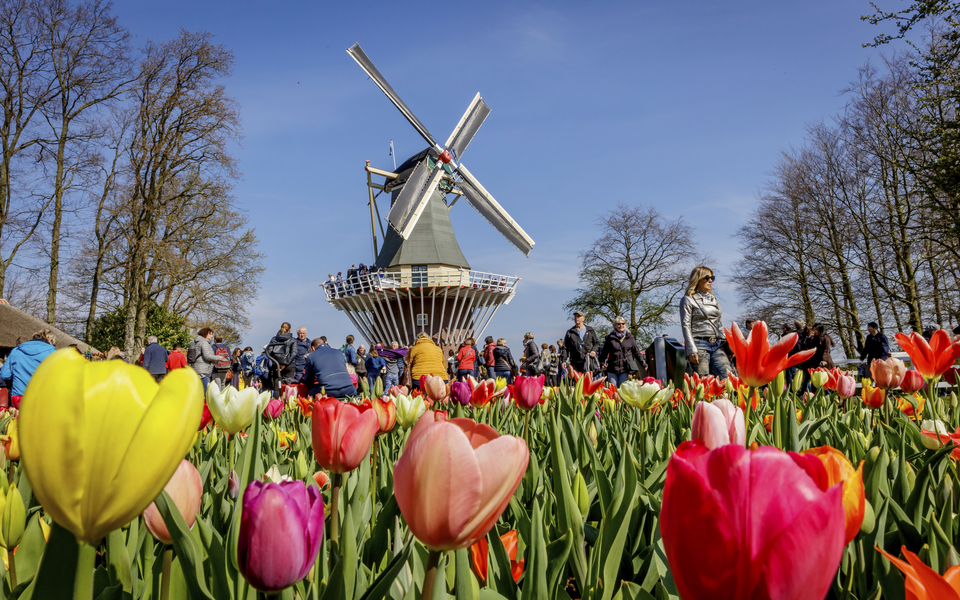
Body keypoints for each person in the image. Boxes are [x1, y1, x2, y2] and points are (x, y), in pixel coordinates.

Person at [679, 265, 730, 378]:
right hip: (699, 344)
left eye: (712, 278)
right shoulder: (688, 300)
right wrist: (691, 349)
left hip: (717, 344)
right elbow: (685, 326)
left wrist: (726, 345)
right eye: (707, 278)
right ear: (697, 279)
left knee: (728, 377)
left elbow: (719, 323)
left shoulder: (713, 299)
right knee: (702, 380)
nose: (710, 280)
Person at [1, 329, 57, 407]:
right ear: (50, 339)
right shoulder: (53, 353)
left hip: (18, 400)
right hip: (42, 401)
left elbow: (4, 375)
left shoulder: (16, 350)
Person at [599, 317, 646, 387]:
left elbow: (637, 353)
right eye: (618, 324)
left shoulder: (630, 338)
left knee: (622, 389)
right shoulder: (610, 338)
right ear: (615, 325)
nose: (621, 325)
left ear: (625, 325)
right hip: (612, 368)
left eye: (623, 323)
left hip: (625, 369)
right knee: (613, 390)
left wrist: (644, 364)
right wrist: (602, 363)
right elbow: (604, 352)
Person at [801, 323, 835, 390]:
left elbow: (826, 350)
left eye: (815, 330)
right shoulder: (816, 338)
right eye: (813, 330)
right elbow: (810, 347)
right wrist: (809, 339)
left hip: (824, 361)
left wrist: (823, 360)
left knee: (825, 381)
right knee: (816, 381)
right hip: (816, 361)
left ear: (820, 330)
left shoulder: (826, 338)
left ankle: (826, 394)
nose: (814, 332)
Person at [188, 327, 218, 394]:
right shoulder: (204, 343)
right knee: (206, 392)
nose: (212, 336)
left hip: (195, 369)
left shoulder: (195, 342)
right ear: (205, 334)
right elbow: (207, 356)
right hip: (203, 371)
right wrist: (218, 358)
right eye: (210, 334)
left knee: (197, 392)